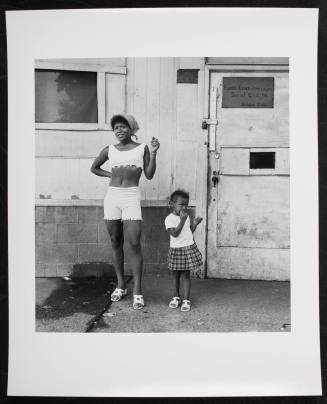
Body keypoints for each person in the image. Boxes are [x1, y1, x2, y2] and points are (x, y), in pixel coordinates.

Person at [90, 114, 160, 309]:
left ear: (132, 129)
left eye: (123, 126)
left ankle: (137, 289)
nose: (119, 130)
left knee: (134, 242)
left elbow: (149, 174)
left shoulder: (142, 148)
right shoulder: (109, 150)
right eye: (116, 128)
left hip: (130, 197)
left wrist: (154, 153)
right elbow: (94, 167)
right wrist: (110, 174)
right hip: (112, 197)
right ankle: (121, 285)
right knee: (115, 241)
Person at [164, 189, 203, 311]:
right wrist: (182, 220)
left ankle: (186, 299)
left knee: (186, 276)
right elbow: (175, 234)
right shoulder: (169, 219)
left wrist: (195, 224)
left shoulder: (186, 217)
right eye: (181, 205)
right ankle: (176, 297)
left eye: (186, 205)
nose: (184, 208)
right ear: (172, 204)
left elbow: (188, 233)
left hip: (187, 249)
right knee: (175, 276)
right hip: (176, 250)